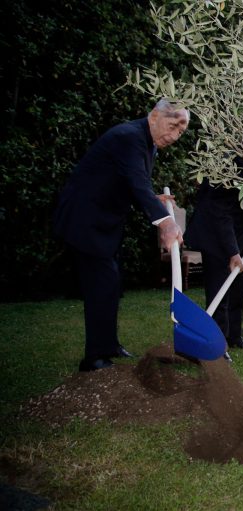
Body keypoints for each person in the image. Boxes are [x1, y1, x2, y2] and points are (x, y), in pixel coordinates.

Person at [53, 99, 188, 371]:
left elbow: (130, 180)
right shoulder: (129, 137)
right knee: (102, 285)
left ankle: (109, 344)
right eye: (172, 126)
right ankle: (94, 358)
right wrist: (165, 223)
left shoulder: (145, 141)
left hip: (106, 222)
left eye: (180, 132)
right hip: (87, 221)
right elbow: (136, 182)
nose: (174, 136)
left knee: (112, 284)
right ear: (154, 116)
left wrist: (154, 198)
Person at [185, 121, 243, 359]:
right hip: (215, 235)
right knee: (219, 288)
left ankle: (234, 336)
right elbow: (220, 213)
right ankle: (217, 343)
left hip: (241, 235)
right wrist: (232, 252)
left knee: (240, 284)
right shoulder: (226, 165)